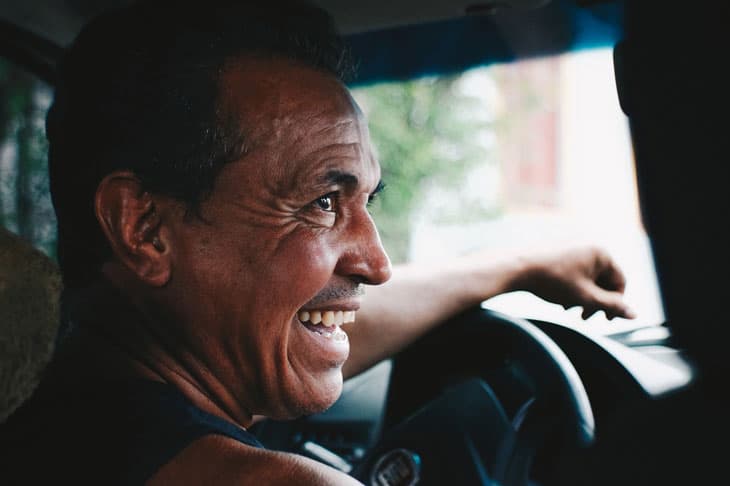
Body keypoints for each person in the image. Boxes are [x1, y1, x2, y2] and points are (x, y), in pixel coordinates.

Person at [0, 0, 634, 484]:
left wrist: (521, 266)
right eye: (322, 203)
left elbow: (302, 315)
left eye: (367, 201)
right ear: (144, 227)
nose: (378, 263)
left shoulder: (52, 395)